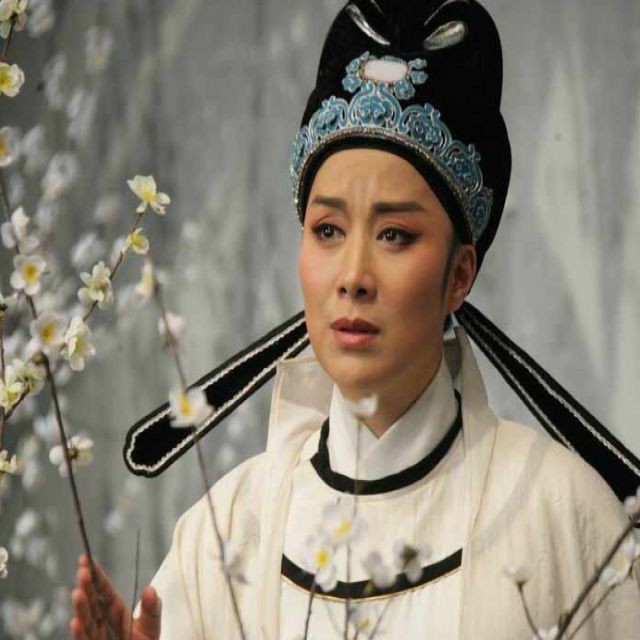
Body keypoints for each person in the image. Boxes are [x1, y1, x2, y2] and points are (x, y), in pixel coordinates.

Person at [71, 1, 640, 638]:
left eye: (395, 234)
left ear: (459, 275)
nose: (353, 275)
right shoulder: (224, 535)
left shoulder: (559, 515)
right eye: (328, 230)